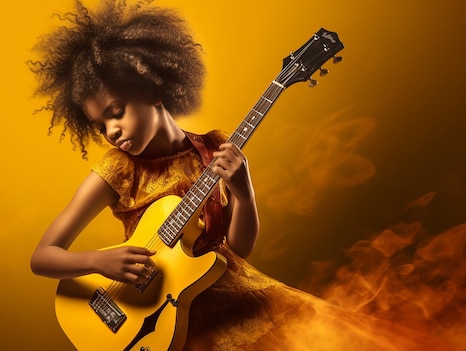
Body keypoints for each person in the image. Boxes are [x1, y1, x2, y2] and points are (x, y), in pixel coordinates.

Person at [28, 1, 449, 350]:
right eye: (101, 125)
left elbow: (238, 249)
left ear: (155, 91)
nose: (112, 131)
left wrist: (244, 194)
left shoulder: (212, 148)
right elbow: (43, 256)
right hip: (161, 314)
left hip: (236, 294)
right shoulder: (116, 170)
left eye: (116, 112)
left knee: (351, 336)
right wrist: (98, 261)